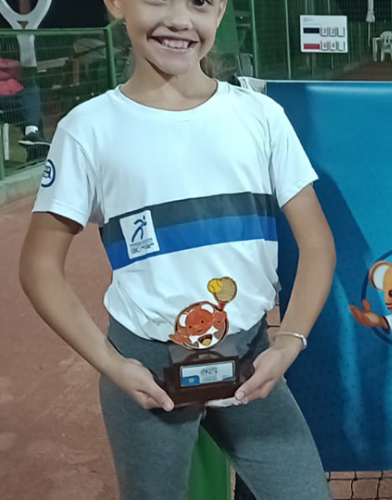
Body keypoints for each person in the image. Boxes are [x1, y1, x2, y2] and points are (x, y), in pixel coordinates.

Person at [18, 0, 337, 499]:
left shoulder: (260, 117)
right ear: (117, 4)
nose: (179, 20)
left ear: (220, 10)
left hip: (251, 357)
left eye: (200, 3)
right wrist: (114, 365)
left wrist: (289, 342)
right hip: (143, 369)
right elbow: (39, 266)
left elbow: (317, 244)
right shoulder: (88, 129)